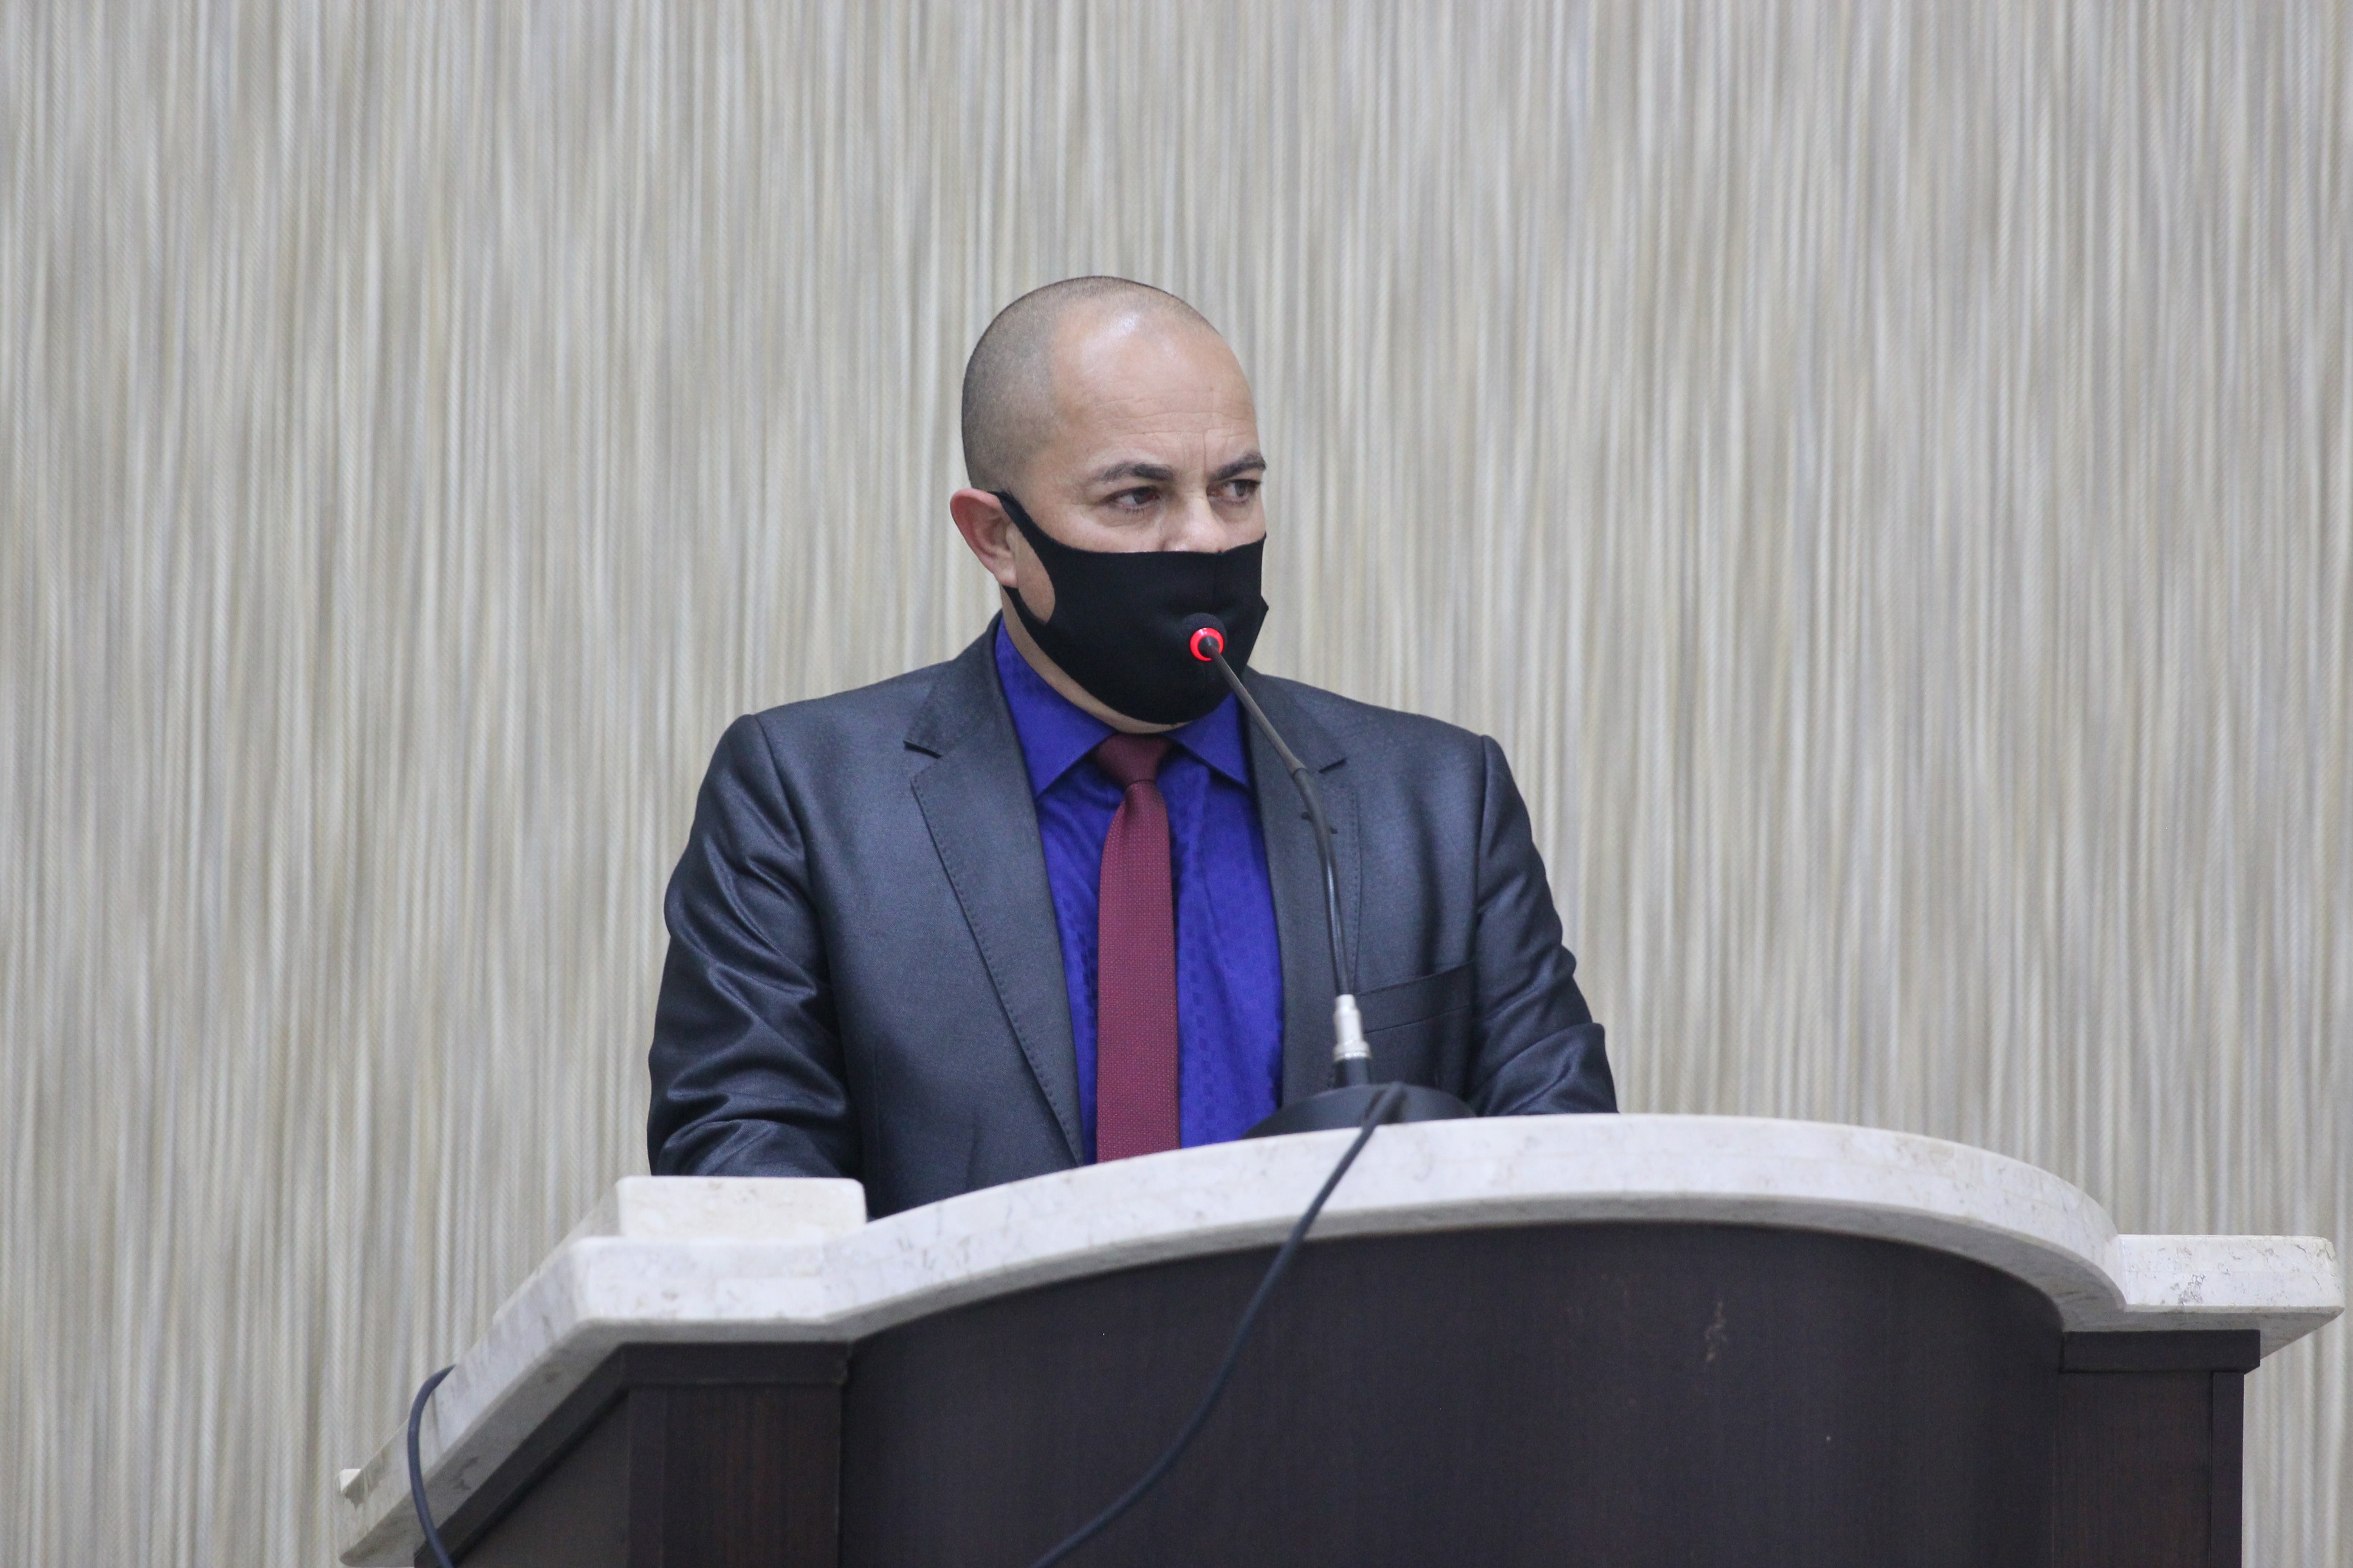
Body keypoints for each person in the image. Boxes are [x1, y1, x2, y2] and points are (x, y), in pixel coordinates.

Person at [647, 278, 1613, 1217]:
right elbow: (747, 1195)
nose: (1205, 539)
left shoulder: (1439, 802)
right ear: (997, 537)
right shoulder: (805, 801)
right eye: (1138, 497)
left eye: (1237, 489)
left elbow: (1569, 1177)